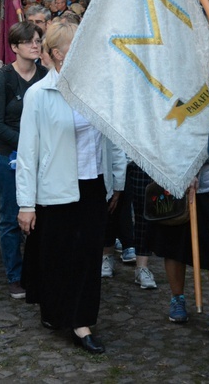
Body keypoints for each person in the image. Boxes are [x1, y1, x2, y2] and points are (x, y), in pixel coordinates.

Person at [16, 20, 126, 354]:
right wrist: (26, 204)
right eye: (76, 47)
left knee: (88, 258)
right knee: (58, 257)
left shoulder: (98, 91)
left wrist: (116, 182)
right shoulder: (39, 94)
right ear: (58, 55)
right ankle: (55, 311)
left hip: (93, 186)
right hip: (56, 188)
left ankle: (82, 322)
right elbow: (27, 152)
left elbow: (113, 139)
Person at [150, 48, 209, 332]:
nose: (207, 62)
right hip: (177, 182)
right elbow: (165, 135)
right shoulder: (173, 92)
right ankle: (177, 299)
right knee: (174, 246)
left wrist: (204, 168)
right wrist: (183, 171)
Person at [0, 21, 47, 299]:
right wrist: (27, 145)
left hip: (41, 158)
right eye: (29, 41)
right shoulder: (3, 78)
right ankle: (15, 274)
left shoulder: (45, 76)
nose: (35, 45)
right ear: (14, 47)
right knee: (12, 217)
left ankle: (38, 270)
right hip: (7, 156)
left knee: (41, 216)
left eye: (38, 40)